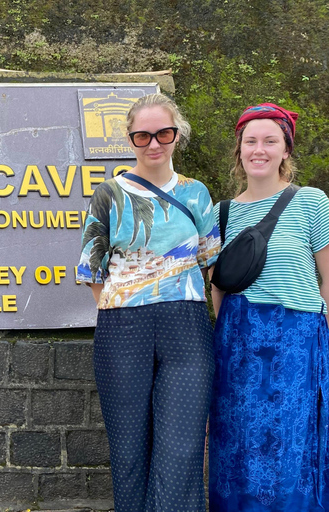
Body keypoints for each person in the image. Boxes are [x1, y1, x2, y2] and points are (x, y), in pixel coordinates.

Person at [76, 93, 220, 511]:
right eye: (143, 135)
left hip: (188, 329)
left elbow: (211, 264)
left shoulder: (196, 194)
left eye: (163, 133)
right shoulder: (109, 194)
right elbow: (90, 267)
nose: (153, 143)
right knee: (129, 450)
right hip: (123, 329)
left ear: (178, 135)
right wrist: (114, 305)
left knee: (182, 448)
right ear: (130, 138)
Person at [208, 103, 329, 511]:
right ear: (239, 150)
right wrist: (237, 336)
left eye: (270, 141)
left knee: (291, 445)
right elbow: (218, 286)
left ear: (286, 149)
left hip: (296, 341)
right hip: (237, 344)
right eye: (250, 141)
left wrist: (307, 339)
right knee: (238, 442)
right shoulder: (222, 213)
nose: (259, 149)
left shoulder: (311, 202)